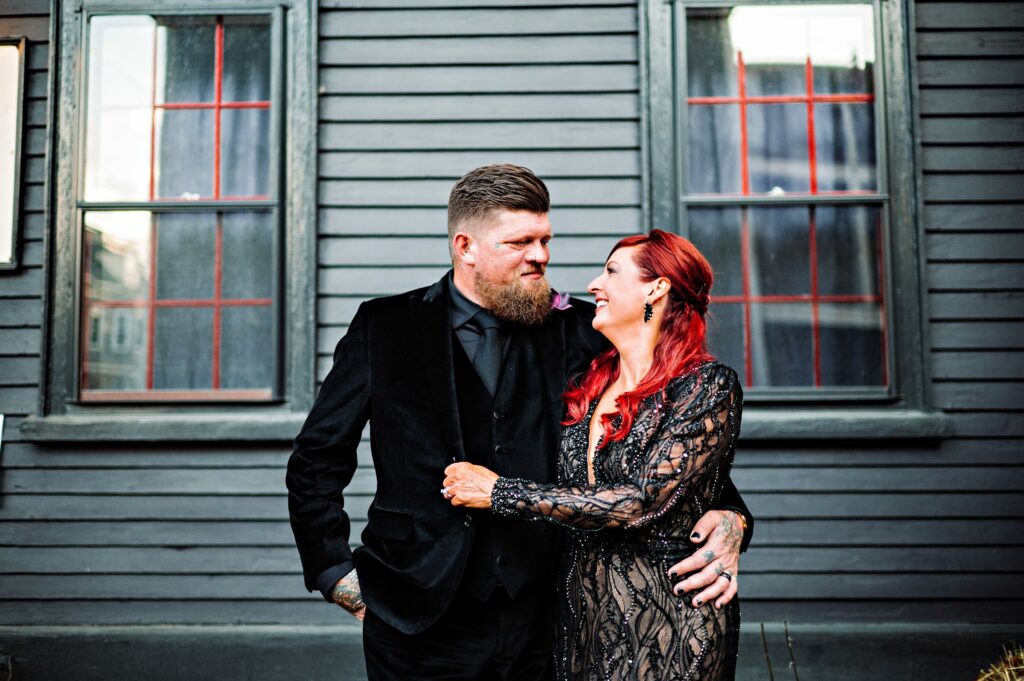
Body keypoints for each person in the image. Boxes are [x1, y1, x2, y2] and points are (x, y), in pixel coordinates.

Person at [286, 165, 752, 681]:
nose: (541, 256)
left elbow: (666, 445)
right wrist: (333, 573)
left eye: (545, 239)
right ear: (466, 247)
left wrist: (732, 515)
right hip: (415, 614)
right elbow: (317, 458)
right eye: (521, 242)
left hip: (549, 611)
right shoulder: (385, 327)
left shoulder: (582, 330)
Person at [443, 229, 742, 680]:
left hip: (665, 619)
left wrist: (500, 492)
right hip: (577, 624)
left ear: (656, 288)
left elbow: (642, 500)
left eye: (611, 271)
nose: (593, 285)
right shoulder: (591, 382)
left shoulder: (705, 385)